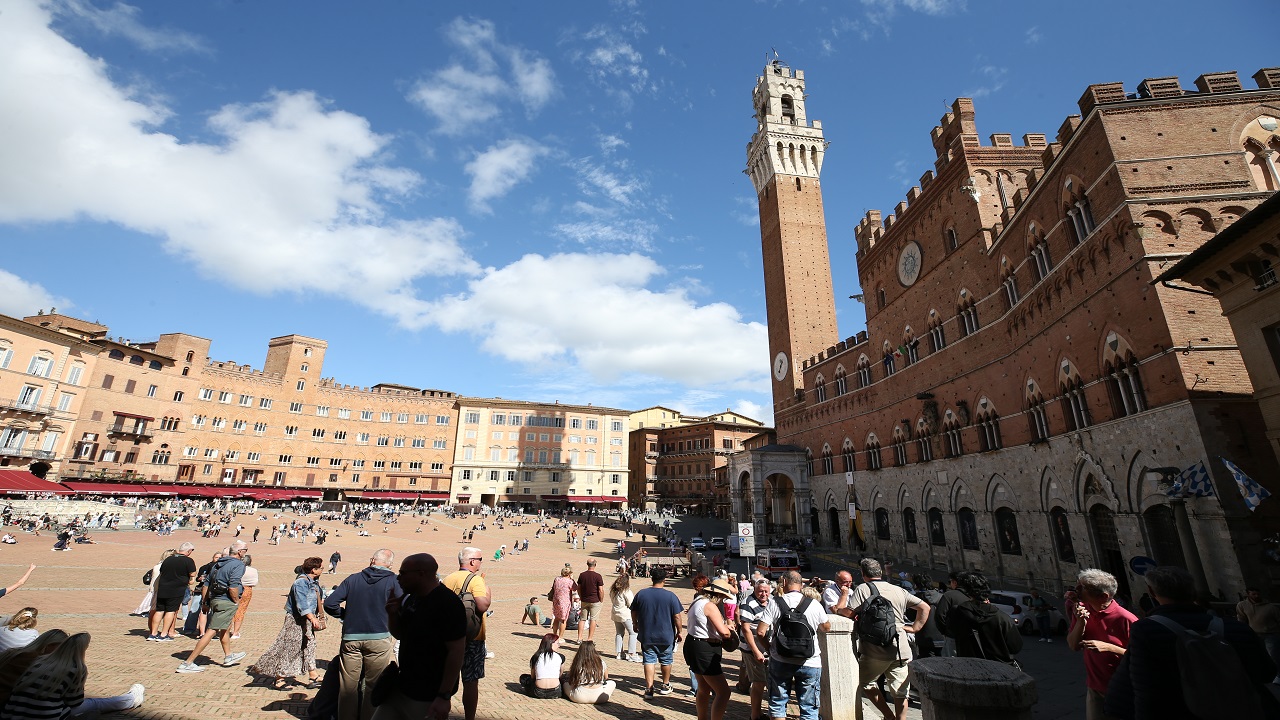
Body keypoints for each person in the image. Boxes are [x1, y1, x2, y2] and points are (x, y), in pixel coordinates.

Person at [1107, 566, 1280, 719]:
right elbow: (1266, 673)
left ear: (1152, 592)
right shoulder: (1235, 628)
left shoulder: (1146, 631)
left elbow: (1143, 688)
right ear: (1193, 590)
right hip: (1239, 710)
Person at [374, 553, 465, 720]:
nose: (398, 578)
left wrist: (444, 696)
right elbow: (401, 634)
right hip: (402, 687)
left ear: (421, 574)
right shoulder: (412, 598)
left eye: (403, 573)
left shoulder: (448, 603)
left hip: (428, 695)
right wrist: (392, 615)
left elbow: (457, 651)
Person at [841, 559, 930, 720]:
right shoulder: (898, 590)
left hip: (876, 648)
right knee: (901, 691)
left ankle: (888, 716)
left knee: (866, 683)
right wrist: (915, 628)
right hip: (901, 648)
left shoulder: (863, 588)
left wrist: (839, 609)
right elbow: (924, 607)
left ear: (863, 574)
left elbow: (849, 613)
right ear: (880, 573)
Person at [323, 549, 400, 720]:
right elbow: (404, 604)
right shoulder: (394, 581)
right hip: (379, 637)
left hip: (352, 637)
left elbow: (330, 603)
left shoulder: (353, 578)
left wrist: (343, 614)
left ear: (372, 560)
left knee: (348, 686)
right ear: (390, 564)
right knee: (374, 685)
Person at [0, 632, 144, 718]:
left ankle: (130, 698)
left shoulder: (15, 653)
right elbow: (74, 702)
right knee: (94, 704)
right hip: (18, 707)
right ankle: (130, 698)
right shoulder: (37, 661)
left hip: (12, 709)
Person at [758, 571, 830, 720]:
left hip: (780, 659)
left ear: (784, 583)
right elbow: (826, 627)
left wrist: (770, 649)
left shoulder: (775, 602)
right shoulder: (814, 603)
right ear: (801, 584)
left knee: (777, 704)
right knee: (809, 708)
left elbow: (760, 632)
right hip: (810, 661)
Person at [1067, 568, 1136, 720]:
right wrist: (1081, 622)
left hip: (1123, 688)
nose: (1075, 590)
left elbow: (1141, 658)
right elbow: (1073, 646)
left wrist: (1109, 647)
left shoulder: (1126, 619)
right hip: (1095, 687)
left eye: (1082, 588)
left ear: (1103, 596)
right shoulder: (1082, 611)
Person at [252, 556, 324, 689]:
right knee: (291, 648)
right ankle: (279, 678)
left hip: (307, 620)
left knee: (309, 646)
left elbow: (315, 597)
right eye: (321, 568)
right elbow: (301, 603)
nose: (322, 570)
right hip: (296, 620)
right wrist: (312, 618)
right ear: (314, 569)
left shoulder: (314, 581)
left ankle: (313, 675)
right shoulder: (301, 582)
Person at [177, 541, 248, 673]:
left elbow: (206, 584)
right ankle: (188, 662)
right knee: (212, 630)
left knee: (224, 628)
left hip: (215, 598)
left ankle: (228, 656)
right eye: (245, 549)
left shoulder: (218, 564)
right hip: (226, 601)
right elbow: (233, 585)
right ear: (240, 552)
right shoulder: (238, 564)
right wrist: (236, 601)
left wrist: (205, 602)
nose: (246, 552)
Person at [442, 548, 492, 720]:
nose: (480, 562)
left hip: (448, 636)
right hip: (473, 638)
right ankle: (469, 717)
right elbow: (482, 606)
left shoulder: (448, 578)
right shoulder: (476, 580)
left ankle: (442, 713)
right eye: (480, 559)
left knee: (446, 679)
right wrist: (488, 592)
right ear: (472, 561)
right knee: (470, 681)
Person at [946, 571, 1022, 666]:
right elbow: (1015, 647)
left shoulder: (957, 612)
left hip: (969, 666)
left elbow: (950, 633)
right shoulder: (1002, 618)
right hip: (999, 668)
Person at [685, 579, 736, 720]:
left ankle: (702, 718)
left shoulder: (697, 601)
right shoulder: (710, 606)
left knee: (703, 687)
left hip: (693, 644)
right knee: (723, 692)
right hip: (704, 648)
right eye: (724, 597)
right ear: (718, 595)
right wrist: (728, 629)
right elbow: (724, 633)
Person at [631, 567, 684, 698]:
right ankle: (665, 684)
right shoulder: (671, 596)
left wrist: (635, 623)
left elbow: (633, 611)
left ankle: (649, 688)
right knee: (666, 660)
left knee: (649, 660)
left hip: (647, 633)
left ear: (651, 578)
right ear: (664, 580)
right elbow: (677, 616)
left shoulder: (641, 594)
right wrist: (680, 631)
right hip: (666, 634)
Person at [738, 578, 774, 720]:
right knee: (759, 682)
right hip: (752, 648)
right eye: (760, 591)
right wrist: (755, 650)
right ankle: (755, 715)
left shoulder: (772, 601)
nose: (763, 594)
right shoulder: (748, 603)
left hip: (768, 648)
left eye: (766, 591)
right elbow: (746, 628)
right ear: (754, 590)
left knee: (768, 682)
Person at [148, 542, 196, 642]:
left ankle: (153, 633)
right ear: (189, 551)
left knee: (159, 610)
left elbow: (162, 571)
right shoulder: (188, 560)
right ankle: (164, 634)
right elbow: (193, 574)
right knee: (170, 611)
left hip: (163, 588)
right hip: (176, 589)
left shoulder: (168, 559)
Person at [1237, 586, 1280, 683]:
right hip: (1254, 634)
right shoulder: (1242, 605)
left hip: (1270, 634)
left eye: (1258, 594)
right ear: (1248, 594)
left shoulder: (1270, 607)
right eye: (1253, 594)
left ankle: (1279, 675)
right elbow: (1241, 619)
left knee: (1274, 656)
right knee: (1260, 656)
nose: (1256, 596)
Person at [932, 571, 972, 657]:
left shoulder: (949, 596)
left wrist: (946, 632)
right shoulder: (973, 596)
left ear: (955, 582)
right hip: (972, 637)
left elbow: (939, 616)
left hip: (953, 637)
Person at [519, 634, 564, 699]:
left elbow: (533, 676)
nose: (559, 646)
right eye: (557, 643)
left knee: (524, 678)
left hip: (538, 691)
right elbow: (560, 675)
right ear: (551, 644)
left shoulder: (536, 656)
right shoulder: (560, 657)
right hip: (555, 691)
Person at [609, 574, 640, 662]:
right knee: (633, 633)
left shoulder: (613, 591)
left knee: (619, 633)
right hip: (625, 614)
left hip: (616, 613)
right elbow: (631, 603)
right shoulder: (626, 591)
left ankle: (619, 653)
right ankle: (632, 654)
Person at [229, 554, 258, 639]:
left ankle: (226, 630)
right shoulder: (253, 570)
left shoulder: (236, 568)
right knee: (241, 610)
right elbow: (255, 582)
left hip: (235, 588)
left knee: (231, 609)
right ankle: (235, 632)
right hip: (247, 590)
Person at [577, 559, 605, 644]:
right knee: (593, 619)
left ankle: (579, 638)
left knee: (582, 619)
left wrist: (581, 596)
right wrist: (601, 599)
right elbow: (600, 590)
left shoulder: (582, 575)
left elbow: (579, 587)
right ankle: (589, 638)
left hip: (585, 599)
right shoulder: (598, 576)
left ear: (587, 564)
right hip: (595, 600)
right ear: (595, 565)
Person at [548, 566, 577, 639]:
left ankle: (554, 634)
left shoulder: (557, 579)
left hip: (556, 600)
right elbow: (575, 588)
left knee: (556, 618)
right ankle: (560, 637)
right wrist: (572, 579)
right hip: (565, 601)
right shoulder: (569, 581)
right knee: (563, 619)